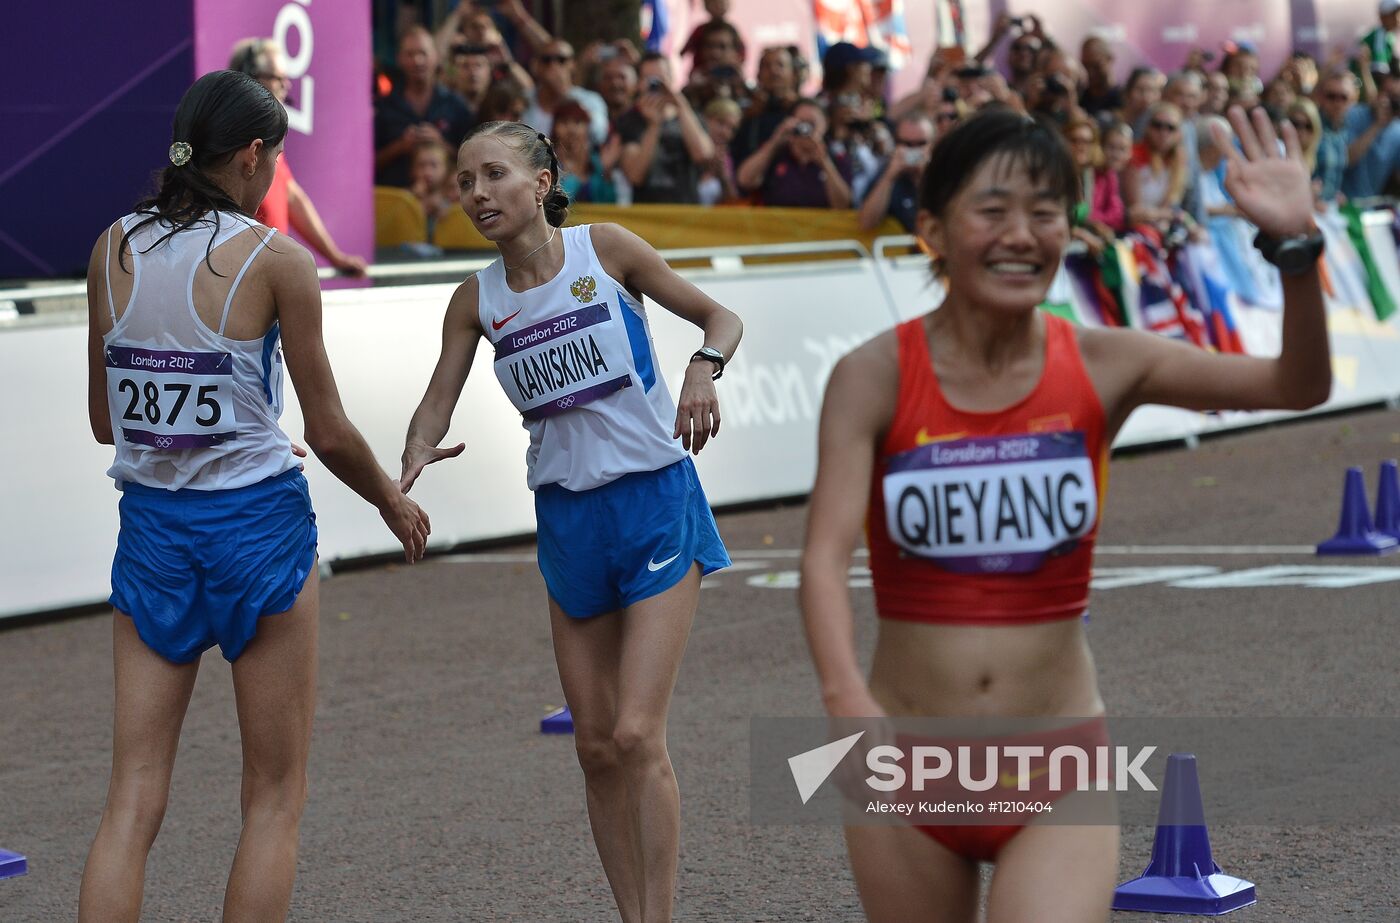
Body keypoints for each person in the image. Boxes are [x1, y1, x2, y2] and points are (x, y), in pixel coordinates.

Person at [799, 105, 1329, 923]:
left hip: (1058, 771)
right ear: (934, 229)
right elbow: (825, 557)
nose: (1023, 233)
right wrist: (845, 700)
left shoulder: (1106, 361)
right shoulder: (870, 376)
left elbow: (1296, 385)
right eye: (994, 209)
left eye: (1047, 212)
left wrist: (1297, 250)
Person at [78, 70, 430, 923]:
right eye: (275, 160)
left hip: (155, 531)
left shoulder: (112, 246)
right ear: (251, 155)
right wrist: (392, 500)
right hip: (257, 532)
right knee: (273, 796)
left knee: (131, 800)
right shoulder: (277, 260)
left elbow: (105, 421)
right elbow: (333, 430)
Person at [399, 121, 742, 922]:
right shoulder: (475, 299)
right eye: (463, 181)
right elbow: (435, 401)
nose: (475, 193)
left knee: (633, 733)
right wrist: (409, 459)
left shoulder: (607, 250)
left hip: (655, 500)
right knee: (592, 745)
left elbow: (720, 318)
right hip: (567, 519)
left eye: (493, 175)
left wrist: (702, 369)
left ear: (545, 179)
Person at [228, 39, 367, 276]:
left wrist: (335, 257)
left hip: (266, 269)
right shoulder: (233, 140)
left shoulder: (266, 140)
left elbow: (292, 197)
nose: (286, 85)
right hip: (244, 272)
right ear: (249, 77)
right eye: (277, 78)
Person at [375, 26, 475, 188]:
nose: (417, 61)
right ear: (399, 58)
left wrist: (440, 144)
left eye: (423, 53)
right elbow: (366, 165)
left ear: (436, 57)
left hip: (446, 204)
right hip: (395, 202)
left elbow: (474, 162)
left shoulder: (456, 106)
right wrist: (399, 147)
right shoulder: (383, 107)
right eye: (410, 54)